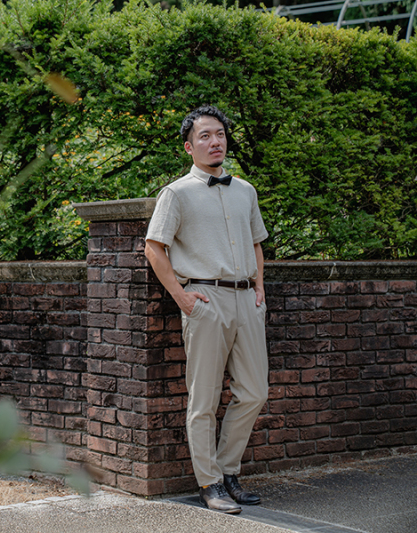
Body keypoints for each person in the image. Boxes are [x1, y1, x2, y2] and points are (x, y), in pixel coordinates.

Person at [144, 105, 269, 514]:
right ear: (189, 146)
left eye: (220, 134)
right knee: (203, 398)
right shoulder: (176, 193)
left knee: (254, 391)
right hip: (205, 299)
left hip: (246, 300)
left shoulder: (245, 190)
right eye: (205, 136)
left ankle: (229, 470)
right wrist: (181, 297)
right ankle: (209, 483)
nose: (215, 142)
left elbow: (256, 243)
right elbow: (154, 247)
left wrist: (259, 289)